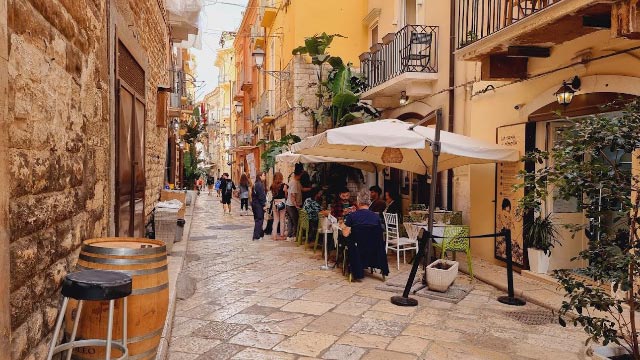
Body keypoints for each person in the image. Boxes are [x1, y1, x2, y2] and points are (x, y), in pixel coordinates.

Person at [339, 189, 389, 280]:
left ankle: (353, 269)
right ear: (369, 202)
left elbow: (346, 234)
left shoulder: (352, 216)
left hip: (357, 249)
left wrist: (342, 226)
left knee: (346, 241)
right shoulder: (376, 217)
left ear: (358, 202)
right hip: (374, 248)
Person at [285, 168, 303, 241]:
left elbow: (301, 189)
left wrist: (311, 188)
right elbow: (293, 195)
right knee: (295, 221)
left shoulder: (293, 181)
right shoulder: (295, 183)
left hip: (289, 204)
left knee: (290, 220)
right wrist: (296, 205)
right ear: (299, 175)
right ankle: (294, 236)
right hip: (292, 205)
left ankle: (289, 236)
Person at [270, 171, 287, 240]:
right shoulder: (284, 185)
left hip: (275, 203)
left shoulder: (272, 186)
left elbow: (273, 194)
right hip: (281, 202)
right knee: (282, 220)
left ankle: (274, 235)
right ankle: (282, 235)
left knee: (275, 220)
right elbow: (285, 195)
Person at [251, 172, 267, 240]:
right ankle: (256, 236)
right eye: (264, 175)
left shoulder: (255, 184)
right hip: (258, 205)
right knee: (259, 220)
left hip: (255, 204)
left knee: (258, 219)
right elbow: (261, 196)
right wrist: (264, 205)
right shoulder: (259, 185)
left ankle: (261, 234)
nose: (265, 176)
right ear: (260, 176)